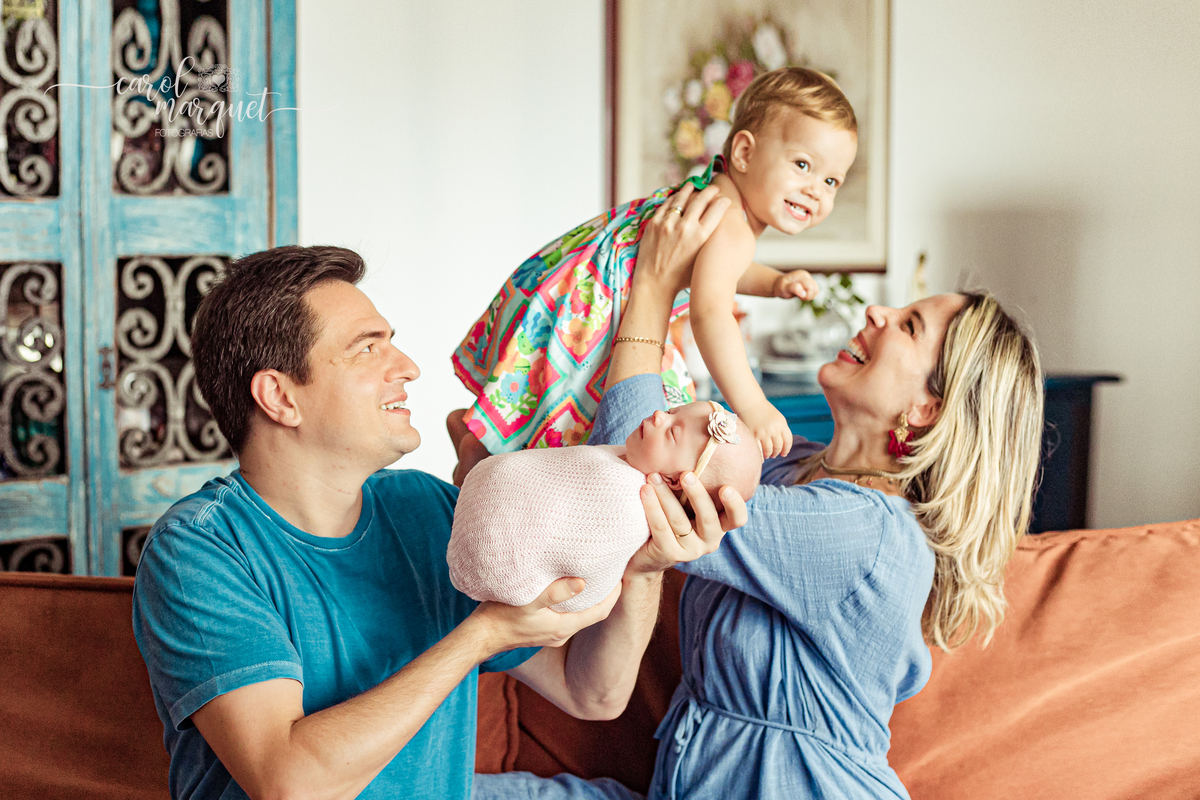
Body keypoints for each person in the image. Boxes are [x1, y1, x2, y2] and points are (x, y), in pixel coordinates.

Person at [130, 231, 748, 800]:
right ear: (280, 397)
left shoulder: (428, 510)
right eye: (367, 349)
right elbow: (290, 783)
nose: (408, 368)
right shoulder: (200, 550)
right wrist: (480, 635)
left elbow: (591, 693)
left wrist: (644, 570)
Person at [474, 203, 1046, 797]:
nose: (877, 310)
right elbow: (671, 432)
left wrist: (652, 285)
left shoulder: (865, 532)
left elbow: (630, 471)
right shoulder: (791, 464)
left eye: (907, 326)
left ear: (926, 409)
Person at [450, 67, 859, 485]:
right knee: (641, 436)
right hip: (600, 314)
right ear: (745, 153)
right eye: (802, 165)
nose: (816, 190)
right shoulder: (732, 224)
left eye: (831, 180)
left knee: (564, 404)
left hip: (574, 285)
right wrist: (754, 405)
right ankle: (488, 470)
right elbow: (710, 312)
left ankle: (479, 445)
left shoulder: (717, 196)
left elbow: (713, 271)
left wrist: (773, 283)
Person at [448, 401, 762, 613]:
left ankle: (473, 481)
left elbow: (587, 560)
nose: (658, 416)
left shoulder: (627, 504)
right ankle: (475, 483)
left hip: (502, 563)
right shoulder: (626, 458)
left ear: (675, 481)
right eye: (672, 410)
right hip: (490, 507)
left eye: (671, 431)